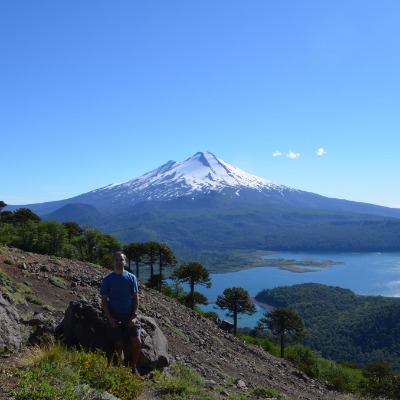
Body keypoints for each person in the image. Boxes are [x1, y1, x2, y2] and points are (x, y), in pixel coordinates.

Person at [100, 251, 141, 373]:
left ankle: (133, 368)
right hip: (114, 315)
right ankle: (122, 370)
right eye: (116, 260)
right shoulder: (107, 279)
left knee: (137, 343)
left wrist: (134, 316)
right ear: (113, 262)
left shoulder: (131, 278)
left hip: (129, 315)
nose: (118, 262)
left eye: (121, 260)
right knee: (118, 344)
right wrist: (110, 318)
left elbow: (136, 298)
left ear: (125, 262)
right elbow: (103, 301)